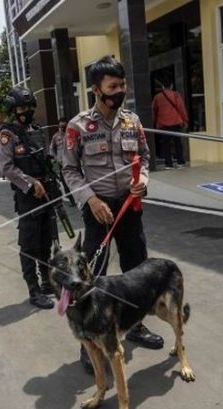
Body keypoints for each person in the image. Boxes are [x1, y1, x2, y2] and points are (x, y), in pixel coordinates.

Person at [63, 56, 165, 374]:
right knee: (91, 277)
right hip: (99, 210)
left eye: (122, 85)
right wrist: (90, 200)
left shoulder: (131, 122)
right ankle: (89, 342)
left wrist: (143, 180)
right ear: (96, 90)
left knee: (137, 270)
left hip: (129, 207)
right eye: (113, 86)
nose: (120, 91)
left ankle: (135, 326)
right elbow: (69, 169)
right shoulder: (78, 126)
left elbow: (144, 157)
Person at [0, 86, 55, 310]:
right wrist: (30, 183)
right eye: (22, 107)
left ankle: (47, 281)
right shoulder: (7, 135)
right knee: (29, 245)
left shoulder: (37, 130)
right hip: (27, 196)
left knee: (46, 241)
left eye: (30, 107)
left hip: (47, 192)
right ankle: (34, 289)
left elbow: (46, 158)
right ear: (13, 109)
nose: (27, 111)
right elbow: (7, 167)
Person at [152, 80, 189, 168]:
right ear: (171, 86)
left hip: (163, 123)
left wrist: (155, 122)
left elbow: (154, 110)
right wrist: (185, 120)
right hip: (176, 122)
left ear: (162, 87)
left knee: (166, 144)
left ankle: (168, 164)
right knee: (178, 143)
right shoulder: (176, 95)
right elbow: (181, 108)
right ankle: (180, 162)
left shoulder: (157, 97)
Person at [48, 117, 75, 206]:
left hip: (73, 162)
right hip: (62, 163)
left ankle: (79, 198)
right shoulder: (56, 137)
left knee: (76, 180)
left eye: (64, 126)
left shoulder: (72, 134)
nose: (62, 128)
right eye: (61, 126)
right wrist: (56, 158)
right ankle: (72, 200)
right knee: (66, 183)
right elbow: (52, 149)